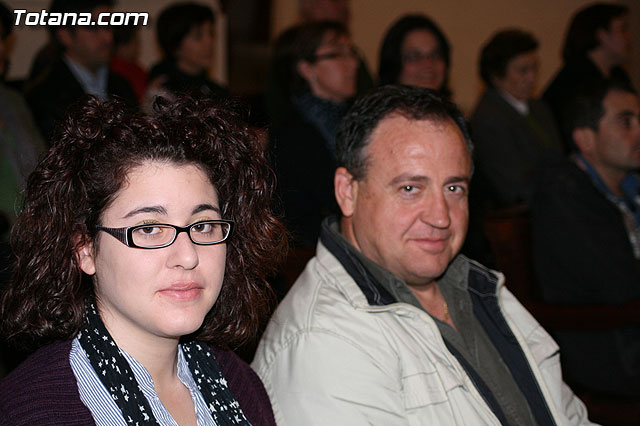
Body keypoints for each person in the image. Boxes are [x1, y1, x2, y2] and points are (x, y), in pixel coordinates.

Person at [253, 85, 593, 425]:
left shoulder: (482, 289)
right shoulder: (323, 344)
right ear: (348, 192)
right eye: (410, 189)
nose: (441, 216)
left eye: (454, 188)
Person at [0, 94, 286, 425]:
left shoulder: (240, 383)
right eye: (150, 229)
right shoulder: (32, 411)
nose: (188, 256)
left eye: (204, 225)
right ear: (84, 249)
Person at [532, 80, 640, 397]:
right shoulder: (564, 197)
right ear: (586, 139)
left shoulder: (631, 185)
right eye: (626, 122)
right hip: (608, 348)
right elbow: (619, 285)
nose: (638, 131)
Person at [271, 21, 357, 248]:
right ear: (307, 69)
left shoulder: (358, 119)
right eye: (338, 54)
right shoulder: (292, 134)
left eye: (352, 53)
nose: (352, 63)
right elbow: (301, 219)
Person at [471, 29, 562, 208]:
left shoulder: (539, 107)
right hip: (526, 213)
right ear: (497, 77)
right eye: (523, 71)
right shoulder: (488, 118)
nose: (532, 77)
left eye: (535, 68)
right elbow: (514, 185)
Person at [24, 0, 137, 142]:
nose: (107, 38)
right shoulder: (44, 96)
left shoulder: (122, 85)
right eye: (93, 27)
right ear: (65, 35)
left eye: (109, 26)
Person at [543, 2, 633, 153]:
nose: (629, 38)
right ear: (602, 35)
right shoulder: (573, 81)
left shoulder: (618, 75)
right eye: (622, 29)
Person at [147, 2, 228, 105]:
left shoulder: (217, 92)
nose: (209, 42)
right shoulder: (161, 90)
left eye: (211, 33)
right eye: (198, 36)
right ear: (176, 46)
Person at [378, 14, 452, 98]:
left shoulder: (455, 110)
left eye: (435, 55)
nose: (428, 64)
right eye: (415, 57)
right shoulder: (374, 111)